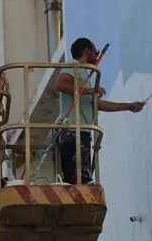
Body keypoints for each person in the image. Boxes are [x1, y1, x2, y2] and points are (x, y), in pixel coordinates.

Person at [53, 37, 145, 184]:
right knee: (78, 180)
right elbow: (60, 84)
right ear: (87, 51)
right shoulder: (74, 65)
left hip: (80, 131)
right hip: (71, 130)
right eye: (95, 52)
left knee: (81, 179)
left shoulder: (84, 74)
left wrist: (128, 106)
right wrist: (90, 90)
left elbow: (98, 105)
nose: (96, 56)